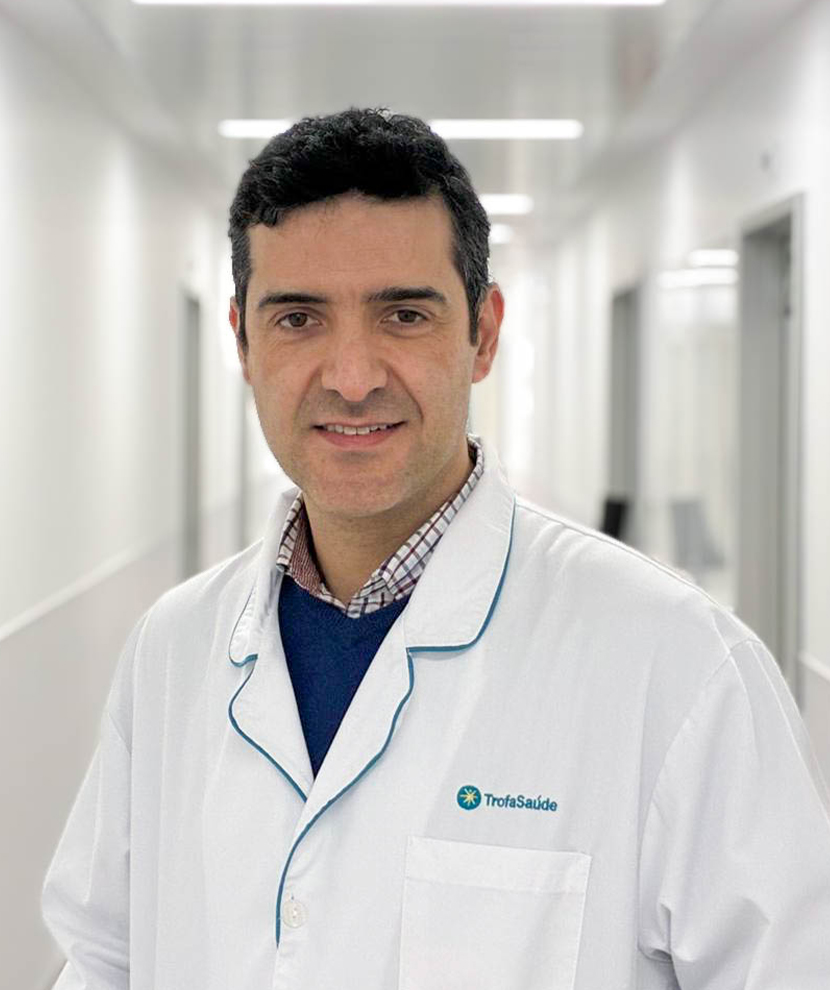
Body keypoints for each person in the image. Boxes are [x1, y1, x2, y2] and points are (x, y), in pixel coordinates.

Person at [42, 108, 830, 990]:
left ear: (483, 334)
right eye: (298, 318)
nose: (352, 378)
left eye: (404, 314)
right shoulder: (172, 649)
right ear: (244, 343)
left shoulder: (676, 662)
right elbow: (103, 957)